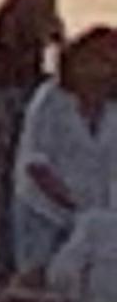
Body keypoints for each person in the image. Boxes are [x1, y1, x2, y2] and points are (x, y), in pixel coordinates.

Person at [15, 27, 117, 276]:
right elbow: (36, 163)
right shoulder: (50, 100)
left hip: (98, 216)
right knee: (40, 280)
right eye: (94, 60)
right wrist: (72, 205)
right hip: (44, 212)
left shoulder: (113, 108)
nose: (101, 69)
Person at [0, 0, 69, 96]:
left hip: (35, 81)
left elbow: (63, 57)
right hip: (5, 86)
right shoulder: (8, 17)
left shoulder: (51, 21)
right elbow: (7, 57)